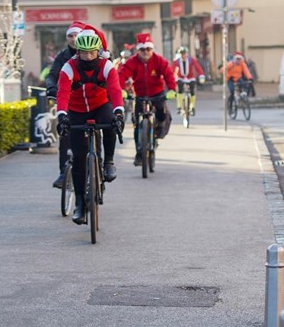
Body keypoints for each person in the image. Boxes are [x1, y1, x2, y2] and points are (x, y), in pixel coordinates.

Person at [55, 26, 125, 224]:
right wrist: (62, 117)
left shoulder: (106, 66)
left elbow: (115, 91)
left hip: (100, 105)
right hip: (76, 111)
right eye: (84, 53)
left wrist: (119, 112)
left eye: (92, 52)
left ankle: (108, 161)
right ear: (78, 52)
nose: (88, 57)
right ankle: (79, 204)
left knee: (111, 122)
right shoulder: (68, 68)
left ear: (98, 51)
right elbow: (62, 94)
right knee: (78, 158)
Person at [118, 33, 176, 166]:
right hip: (139, 95)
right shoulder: (132, 62)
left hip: (157, 94)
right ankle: (139, 152)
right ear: (138, 50)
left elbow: (168, 74)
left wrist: (172, 89)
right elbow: (122, 74)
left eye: (148, 49)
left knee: (162, 113)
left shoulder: (159, 60)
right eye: (142, 50)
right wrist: (121, 89)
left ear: (152, 49)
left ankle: (159, 130)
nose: (145, 52)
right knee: (136, 122)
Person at [46, 20, 85, 189]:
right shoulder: (62, 57)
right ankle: (63, 173)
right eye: (70, 35)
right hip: (68, 102)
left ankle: (102, 165)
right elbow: (51, 75)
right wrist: (52, 88)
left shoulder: (96, 53)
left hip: (91, 102)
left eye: (77, 35)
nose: (74, 39)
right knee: (65, 134)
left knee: (99, 130)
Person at [174, 45, 206, 116]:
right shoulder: (177, 61)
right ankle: (179, 107)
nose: (183, 55)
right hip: (181, 77)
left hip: (190, 77)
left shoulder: (191, 60)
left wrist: (201, 75)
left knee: (192, 90)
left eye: (184, 53)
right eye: (182, 53)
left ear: (187, 53)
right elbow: (171, 69)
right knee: (179, 89)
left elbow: (198, 67)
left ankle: (192, 107)